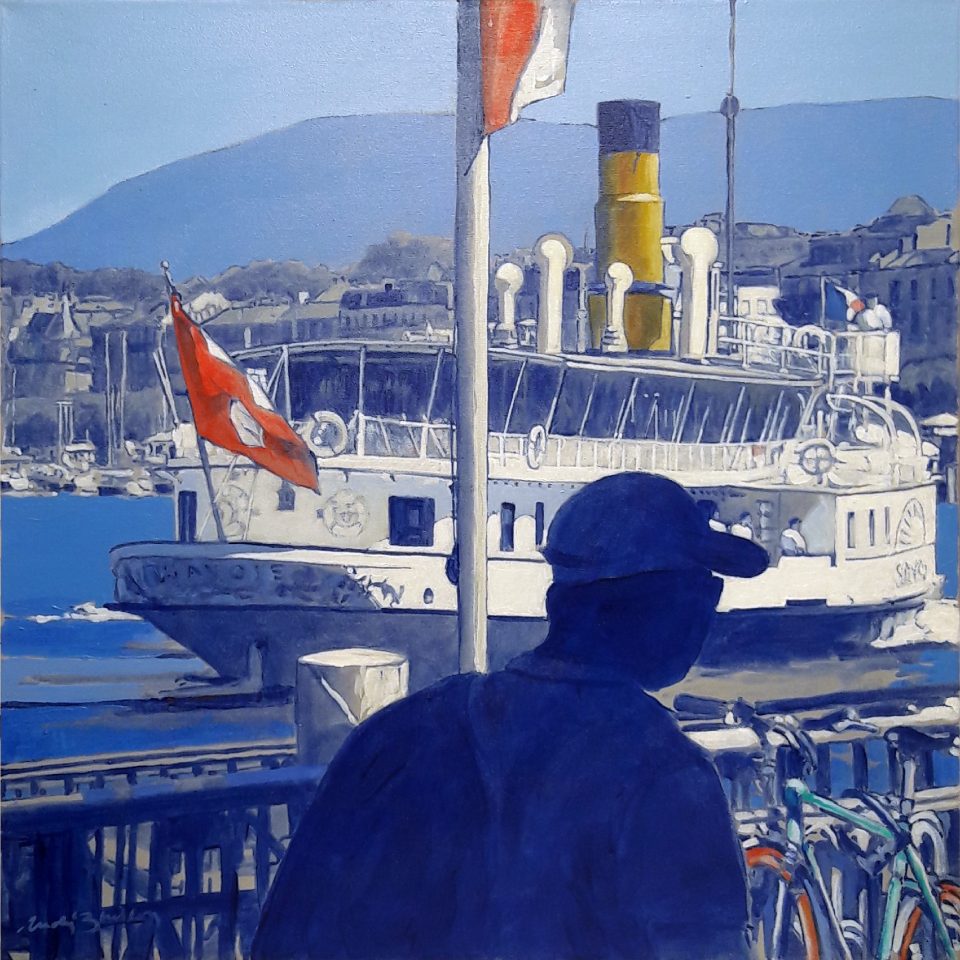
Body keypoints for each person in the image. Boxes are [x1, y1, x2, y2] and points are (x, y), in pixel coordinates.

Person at [253, 473, 769, 960]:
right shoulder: (667, 775)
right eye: (707, 590)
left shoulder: (399, 732)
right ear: (672, 607)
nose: (709, 610)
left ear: (558, 602)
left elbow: (283, 937)